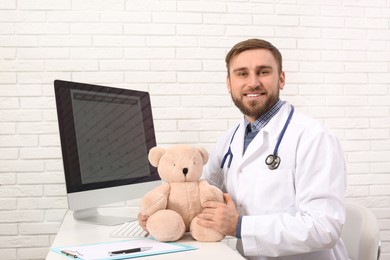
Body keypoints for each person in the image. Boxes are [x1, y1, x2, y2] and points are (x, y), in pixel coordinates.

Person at [139, 39, 348, 260]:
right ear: (229, 83)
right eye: (242, 74)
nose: (253, 82)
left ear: (282, 79)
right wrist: (163, 212)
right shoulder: (229, 139)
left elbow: (324, 228)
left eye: (263, 72)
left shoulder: (314, 138)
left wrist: (240, 226)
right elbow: (200, 197)